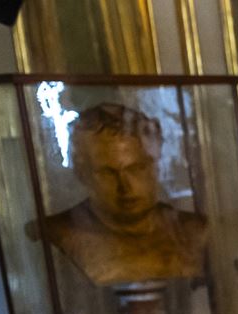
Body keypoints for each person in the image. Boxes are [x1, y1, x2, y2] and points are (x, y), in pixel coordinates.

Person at [35, 103, 208, 286]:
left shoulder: (194, 231)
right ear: (82, 174)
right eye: (107, 173)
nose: (125, 187)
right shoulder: (59, 233)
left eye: (136, 168)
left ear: (156, 166)